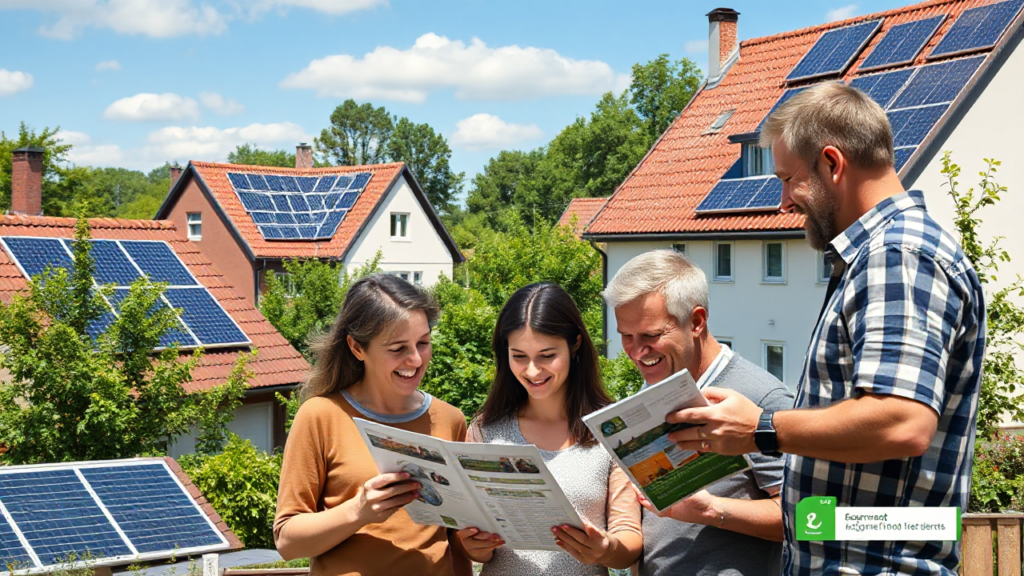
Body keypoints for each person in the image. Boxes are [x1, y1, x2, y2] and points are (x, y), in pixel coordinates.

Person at [667, 83, 986, 575]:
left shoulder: (896, 256)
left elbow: (902, 422)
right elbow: (873, 508)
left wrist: (761, 429)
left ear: (833, 164)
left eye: (789, 179)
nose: (782, 203)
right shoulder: (877, 257)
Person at [603, 250, 794, 576]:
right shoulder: (652, 391)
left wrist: (711, 510)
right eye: (626, 336)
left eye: (651, 335)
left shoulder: (761, 398)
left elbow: (810, 519)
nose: (636, 352)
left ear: (696, 321)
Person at [274, 274, 471, 576]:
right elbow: (288, 542)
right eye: (397, 349)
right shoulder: (320, 416)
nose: (416, 359)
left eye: (424, 343)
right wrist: (359, 511)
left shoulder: (451, 420)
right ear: (356, 348)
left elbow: (456, 544)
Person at [456, 283, 643, 575]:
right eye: (519, 356)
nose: (532, 371)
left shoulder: (610, 429)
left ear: (575, 344)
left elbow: (629, 538)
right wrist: (473, 547)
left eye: (546, 355)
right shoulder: (486, 429)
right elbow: (470, 536)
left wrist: (607, 549)